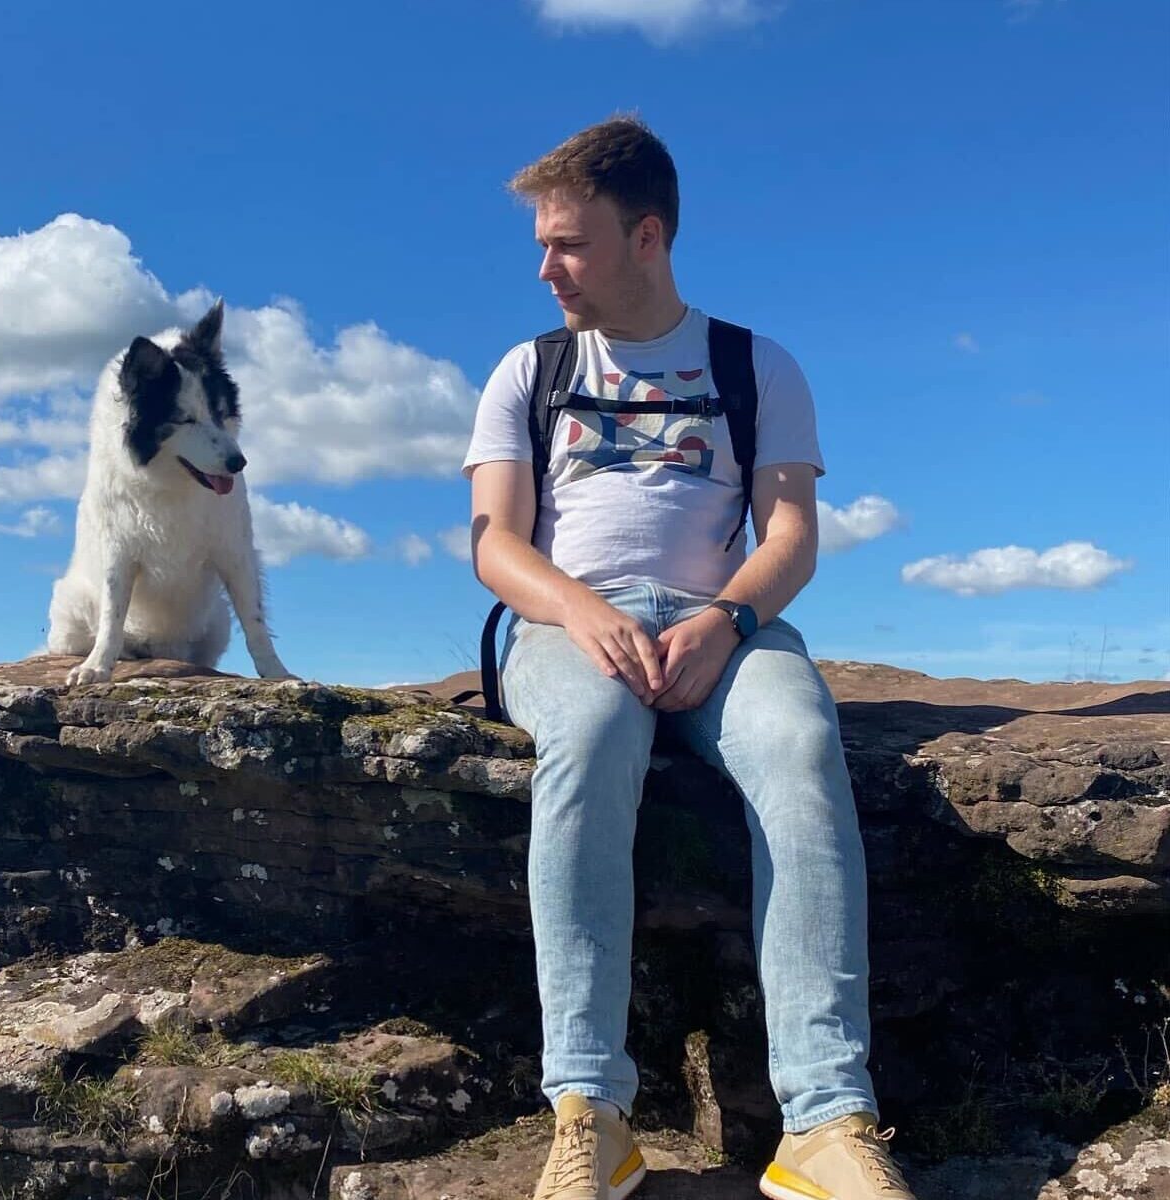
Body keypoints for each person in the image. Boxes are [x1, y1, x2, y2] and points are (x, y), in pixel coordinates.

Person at [461, 116, 915, 1200]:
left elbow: (791, 537)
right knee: (591, 731)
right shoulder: (528, 370)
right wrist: (579, 613)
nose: (544, 266)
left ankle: (826, 1124)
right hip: (570, 625)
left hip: (726, 624)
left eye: (568, 243)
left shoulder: (753, 365)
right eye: (542, 244)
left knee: (803, 747)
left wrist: (725, 623)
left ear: (647, 235)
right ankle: (588, 1113)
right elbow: (493, 542)